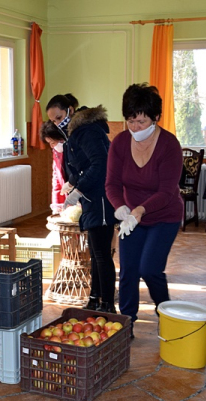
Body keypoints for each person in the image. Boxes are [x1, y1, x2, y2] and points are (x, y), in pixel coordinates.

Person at [105, 83, 183, 323]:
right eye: (130, 121)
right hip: (132, 218)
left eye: (141, 122)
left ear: (156, 118)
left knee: (149, 269)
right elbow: (112, 184)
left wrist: (140, 210)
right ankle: (126, 322)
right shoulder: (119, 143)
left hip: (164, 216)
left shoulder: (169, 145)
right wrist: (120, 207)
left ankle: (167, 314)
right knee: (128, 271)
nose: (135, 127)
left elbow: (167, 191)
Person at [46, 94, 117, 313]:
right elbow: (79, 167)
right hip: (91, 200)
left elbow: (101, 165)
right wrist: (71, 182)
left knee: (102, 255)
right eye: (54, 121)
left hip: (101, 199)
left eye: (59, 117)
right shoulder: (75, 134)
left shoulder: (87, 131)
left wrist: (78, 190)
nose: (58, 124)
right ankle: (95, 299)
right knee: (96, 254)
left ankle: (107, 305)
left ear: (69, 110)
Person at [40, 121, 68, 214]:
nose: (51, 146)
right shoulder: (56, 152)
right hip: (66, 192)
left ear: (61, 138)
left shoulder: (73, 149)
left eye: (52, 142)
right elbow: (56, 177)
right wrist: (56, 203)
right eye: (49, 143)